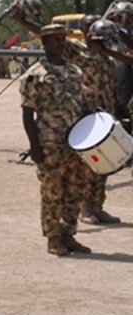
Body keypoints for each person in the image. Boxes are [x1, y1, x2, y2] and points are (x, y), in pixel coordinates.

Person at [20, 25, 93, 256]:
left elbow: (83, 104)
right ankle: (53, 238)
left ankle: (68, 234)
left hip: (77, 143)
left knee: (75, 189)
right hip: (50, 143)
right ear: (45, 43)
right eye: (56, 39)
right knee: (52, 192)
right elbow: (27, 113)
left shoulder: (75, 71)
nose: (61, 43)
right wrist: (34, 146)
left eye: (63, 39)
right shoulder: (35, 74)